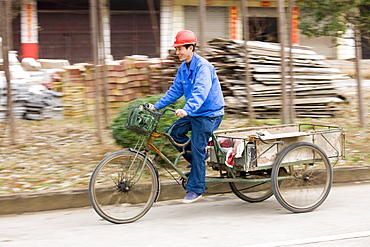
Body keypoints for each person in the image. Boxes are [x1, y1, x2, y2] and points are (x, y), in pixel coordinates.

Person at [149, 30, 224, 203]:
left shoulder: (203, 67)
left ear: (191, 48)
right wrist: (156, 106)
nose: (177, 52)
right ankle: (198, 160)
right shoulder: (183, 68)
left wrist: (187, 109)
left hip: (209, 115)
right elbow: (175, 91)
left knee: (197, 147)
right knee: (173, 133)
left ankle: (196, 188)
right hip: (194, 113)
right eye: (176, 49)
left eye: (180, 48)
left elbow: (201, 91)